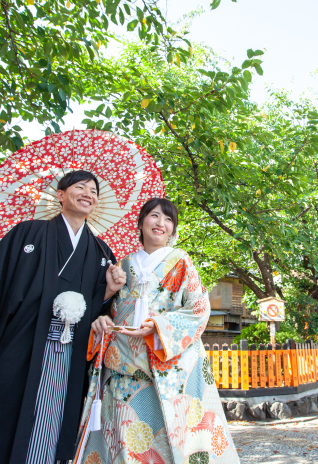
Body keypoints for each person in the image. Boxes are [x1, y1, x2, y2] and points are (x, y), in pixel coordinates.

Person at [0, 170, 127, 464]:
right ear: (60, 195)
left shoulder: (100, 251)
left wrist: (108, 291)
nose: (88, 193)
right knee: (1, 421)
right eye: (80, 187)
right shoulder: (27, 233)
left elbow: (95, 312)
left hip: (70, 355)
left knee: (54, 424)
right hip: (17, 348)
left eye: (94, 191)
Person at [77, 197, 240, 464]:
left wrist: (159, 327)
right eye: (154, 216)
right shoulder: (122, 265)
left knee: (166, 436)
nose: (160, 223)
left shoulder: (181, 261)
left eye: (168, 219)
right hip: (123, 363)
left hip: (167, 363)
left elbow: (198, 309)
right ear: (140, 223)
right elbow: (108, 310)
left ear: (173, 230)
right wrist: (102, 319)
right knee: (121, 436)